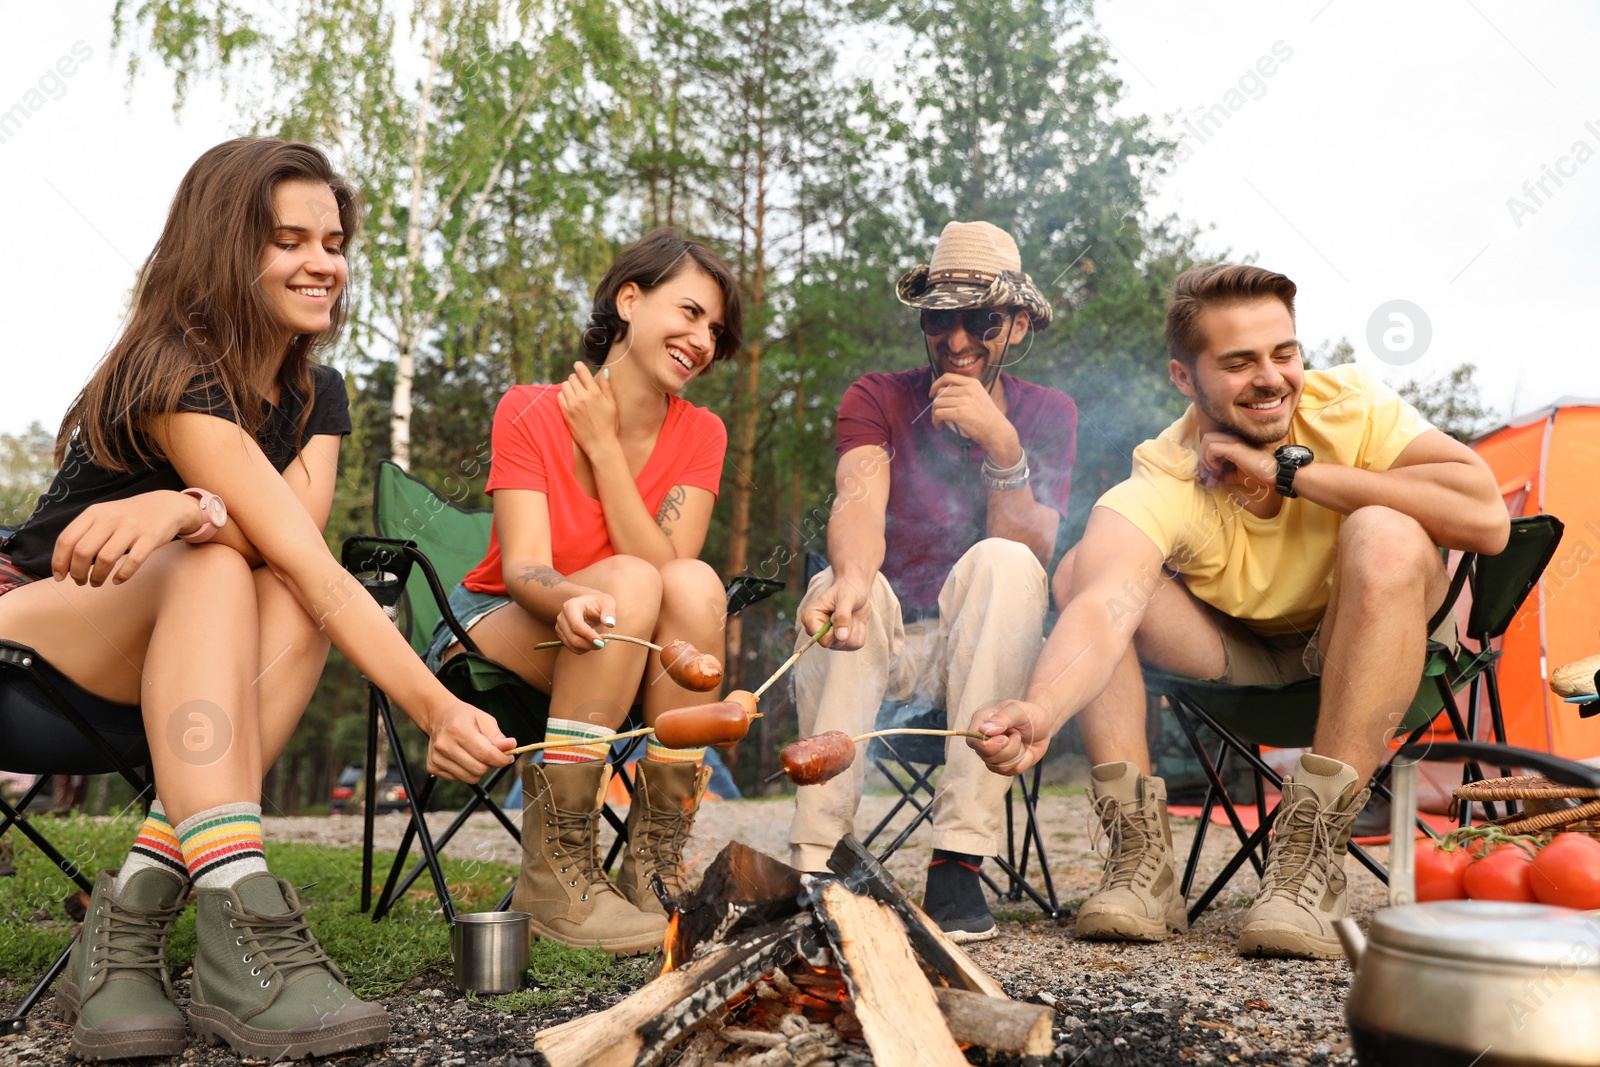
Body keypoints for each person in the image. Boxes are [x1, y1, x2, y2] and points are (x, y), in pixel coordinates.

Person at [0, 138, 515, 1060]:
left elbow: (299, 551)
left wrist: (186, 508)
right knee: (214, 565)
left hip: (184, 671)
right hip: (35, 634)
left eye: (333, 239)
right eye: (288, 240)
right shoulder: (168, 364)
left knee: (274, 579)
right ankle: (242, 921)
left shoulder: (318, 393)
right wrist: (431, 702)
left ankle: (122, 944)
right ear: (224, 249)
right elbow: (265, 537)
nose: (322, 262)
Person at [966, 264, 1510, 959]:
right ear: (1184, 378)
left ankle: (1311, 856)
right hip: (1239, 654)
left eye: (1284, 353)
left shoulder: (1349, 406)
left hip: (1371, 631)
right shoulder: (1166, 471)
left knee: (1387, 531)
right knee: (1078, 569)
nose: (1272, 377)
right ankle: (1141, 859)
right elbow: (1103, 604)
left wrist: (1288, 470)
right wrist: (1040, 708)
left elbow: (1487, 519)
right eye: (1239, 362)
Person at [428, 228, 740, 954]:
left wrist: (603, 449)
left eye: (715, 329)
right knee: (632, 581)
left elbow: (671, 568)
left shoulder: (702, 433)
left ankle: (651, 866)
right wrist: (570, 596)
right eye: (690, 312)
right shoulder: (530, 410)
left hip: (622, 644)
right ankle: (554, 877)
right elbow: (525, 567)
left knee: (690, 581)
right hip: (506, 624)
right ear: (630, 299)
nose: (702, 339)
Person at [791, 221, 1077, 942]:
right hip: (881, 647)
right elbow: (858, 499)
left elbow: (1034, 554)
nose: (955, 341)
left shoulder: (1048, 413)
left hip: (980, 658)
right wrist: (853, 576)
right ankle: (817, 862)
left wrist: (1003, 448)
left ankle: (959, 860)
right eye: (939, 317)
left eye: (978, 318)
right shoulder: (878, 396)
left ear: (1015, 324)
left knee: (1005, 563)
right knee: (841, 584)